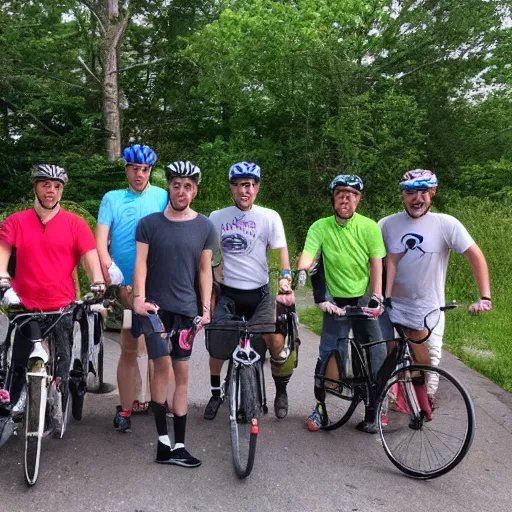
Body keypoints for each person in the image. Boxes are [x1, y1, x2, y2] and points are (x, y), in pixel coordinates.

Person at [0, 163, 105, 424]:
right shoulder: (15, 222)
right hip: (25, 305)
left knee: (64, 364)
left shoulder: (75, 224)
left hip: (61, 306)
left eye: (57, 186)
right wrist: (2, 279)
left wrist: (98, 282)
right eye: (46, 185)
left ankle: (57, 397)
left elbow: (90, 258)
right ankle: (13, 404)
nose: (51, 191)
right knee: (20, 361)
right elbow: (2, 253)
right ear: (35, 187)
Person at [379, 169, 492, 399]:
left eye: (423, 192)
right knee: (388, 366)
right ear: (403, 194)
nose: (417, 198)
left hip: (428, 310)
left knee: (427, 373)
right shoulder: (386, 225)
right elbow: (370, 262)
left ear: (433, 193)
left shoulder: (446, 224)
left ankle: (422, 407)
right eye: (410, 192)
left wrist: (485, 297)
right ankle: (387, 411)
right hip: (391, 307)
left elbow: (475, 256)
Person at [132, 160, 216, 468]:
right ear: (169, 186)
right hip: (155, 309)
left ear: (195, 191)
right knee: (162, 369)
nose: (181, 191)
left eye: (188, 187)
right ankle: (162, 442)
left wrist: (205, 309)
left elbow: (205, 270)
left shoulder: (205, 227)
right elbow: (140, 264)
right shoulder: (149, 224)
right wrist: (138, 299)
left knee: (182, 375)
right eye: (176, 185)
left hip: (186, 312)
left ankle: (178, 445)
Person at [204, 162, 296, 421]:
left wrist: (285, 280)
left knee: (275, 342)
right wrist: (211, 279)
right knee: (217, 345)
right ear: (232, 188)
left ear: (257, 188)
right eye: (241, 185)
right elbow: (207, 255)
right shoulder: (217, 217)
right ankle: (215, 393)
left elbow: (281, 253)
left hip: (260, 293)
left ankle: (281, 391)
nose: (246, 190)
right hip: (229, 292)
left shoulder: (269, 216)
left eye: (252, 185)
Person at [297, 174, 386, 433]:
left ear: (358, 199)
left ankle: (376, 406)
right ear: (333, 198)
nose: (345, 198)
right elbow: (308, 255)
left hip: (361, 297)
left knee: (374, 349)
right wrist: (303, 270)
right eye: (340, 193)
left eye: (352, 194)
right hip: (335, 300)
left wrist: (377, 296)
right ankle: (321, 406)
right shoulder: (320, 226)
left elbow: (375, 262)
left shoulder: (369, 227)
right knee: (328, 352)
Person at [96, 144, 168, 432]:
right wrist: (109, 268)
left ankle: (158, 402)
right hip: (124, 287)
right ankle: (126, 407)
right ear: (126, 168)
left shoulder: (162, 196)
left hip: (157, 286)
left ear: (150, 171)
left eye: (145, 169)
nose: (139, 174)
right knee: (128, 347)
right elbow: (101, 240)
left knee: (158, 349)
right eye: (134, 168)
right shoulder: (112, 198)